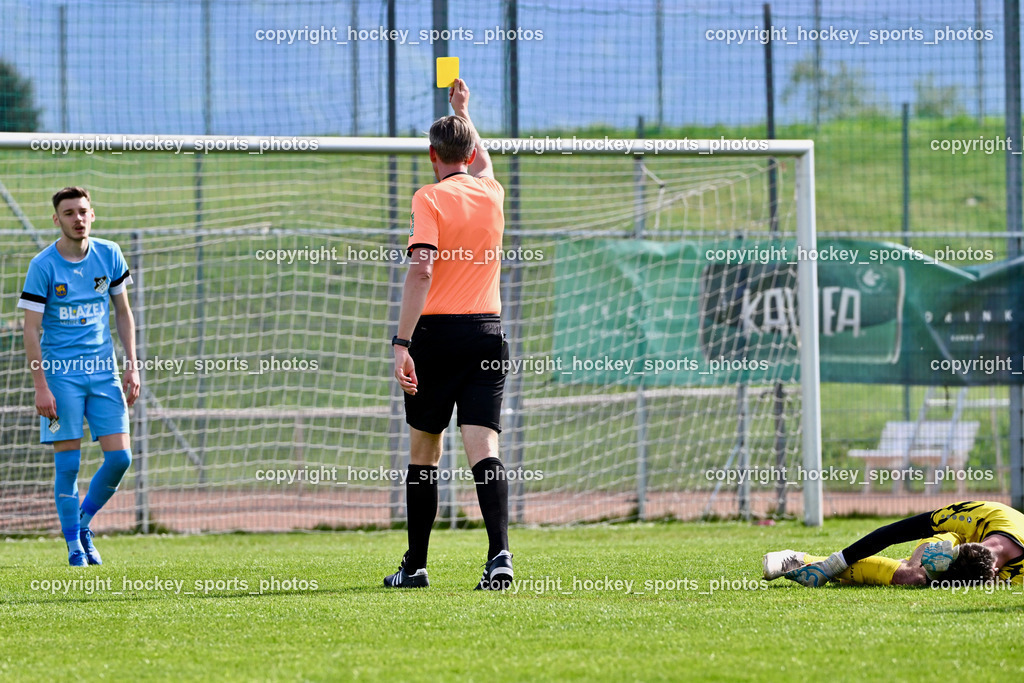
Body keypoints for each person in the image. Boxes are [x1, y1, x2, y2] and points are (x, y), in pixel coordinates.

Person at [385, 79, 513, 590]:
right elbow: (482, 162)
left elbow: (421, 271)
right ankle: (499, 556)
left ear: (431, 154)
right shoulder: (492, 192)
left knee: (425, 452)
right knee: (484, 447)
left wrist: (401, 343)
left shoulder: (428, 197)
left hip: (436, 337)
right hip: (487, 332)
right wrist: (464, 110)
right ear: (470, 150)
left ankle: (415, 566)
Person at [19, 187, 139, 566]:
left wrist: (132, 364)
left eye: (83, 211)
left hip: (103, 374)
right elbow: (30, 329)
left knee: (120, 458)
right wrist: (41, 386)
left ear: (93, 214)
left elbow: (123, 312)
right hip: (60, 378)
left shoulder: (110, 254)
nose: (77, 218)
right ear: (57, 219)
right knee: (68, 464)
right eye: (68, 213)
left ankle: (83, 523)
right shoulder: (43, 266)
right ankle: (74, 546)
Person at [763, 500, 1023, 587]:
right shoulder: (976, 516)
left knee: (919, 580)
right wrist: (835, 563)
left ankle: (802, 561)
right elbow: (894, 532)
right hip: (952, 535)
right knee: (915, 573)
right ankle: (804, 561)